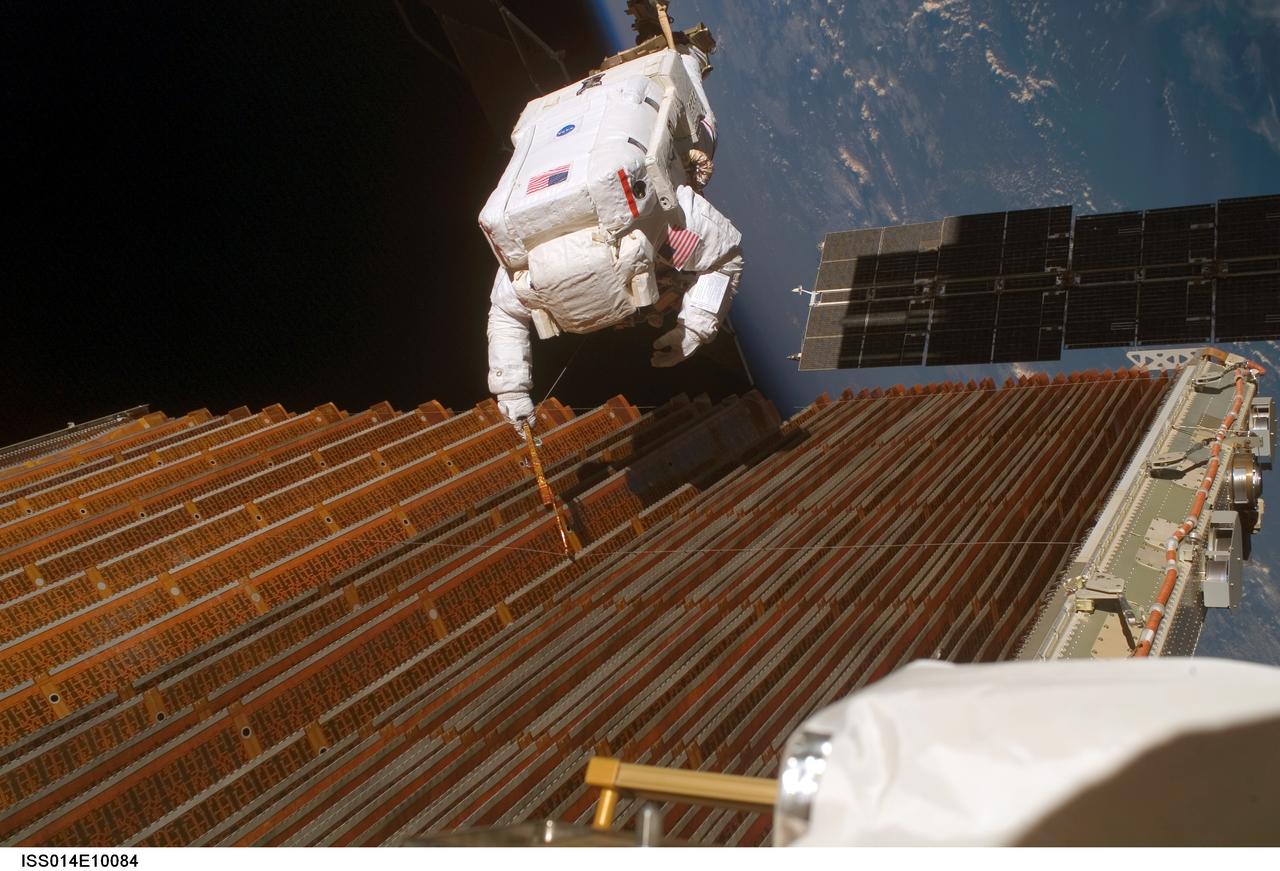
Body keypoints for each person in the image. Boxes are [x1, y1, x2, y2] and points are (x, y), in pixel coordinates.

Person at [486, 183, 743, 428]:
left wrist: (694, 330)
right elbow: (506, 315)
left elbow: (724, 258)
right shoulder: (526, 277)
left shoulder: (658, 226)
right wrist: (511, 391)